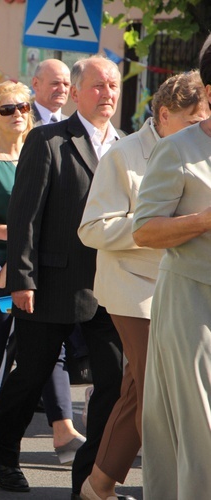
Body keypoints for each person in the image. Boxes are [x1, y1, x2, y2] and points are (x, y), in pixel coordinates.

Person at [0, 55, 124, 495]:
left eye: (114, 87)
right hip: (51, 285)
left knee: (115, 382)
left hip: (110, 288)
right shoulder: (48, 141)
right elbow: (24, 215)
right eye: (99, 86)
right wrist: (22, 280)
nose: (107, 95)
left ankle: (88, 476)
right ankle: (3, 452)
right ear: (79, 92)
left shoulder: (127, 145)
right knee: (29, 379)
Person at [78, 70, 208, 500]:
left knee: (140, 391)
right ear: (165, 115)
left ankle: (99, 484)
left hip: (180, 286)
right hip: (133, 289)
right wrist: (164, 227)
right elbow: (93, 228)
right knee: (155, 390)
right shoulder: (125, 153)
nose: (201, 126)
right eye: (193, 120)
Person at [0, 80, 84, 465]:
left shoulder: (43, 151)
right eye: (8, 109)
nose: (19, 115)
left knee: (49, 347)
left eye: (24, 108)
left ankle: (62, 428)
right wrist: (14, 234)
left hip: (40, 267)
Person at [132, 37, 211, 499]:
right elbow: (145, 230)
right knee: (200, 429)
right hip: (191, 303)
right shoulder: (177, 149)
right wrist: (204, 220)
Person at [30, 59, 71, 126]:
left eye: (66, 84)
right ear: (36, 84)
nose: (62, 90)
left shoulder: (74, 127)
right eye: (55, 83)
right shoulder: (21, 122)